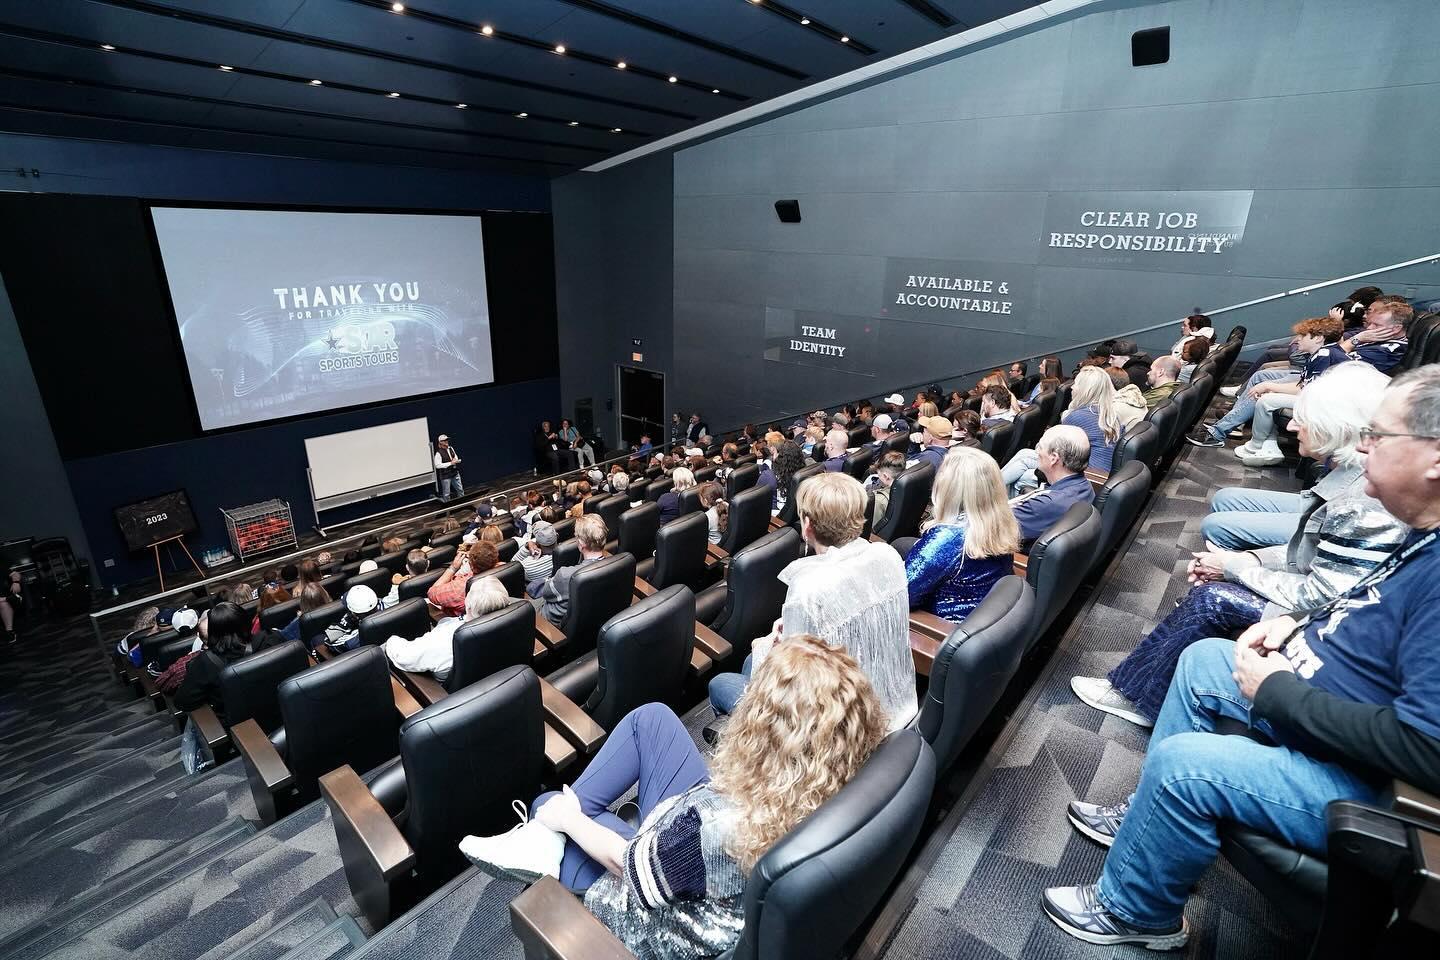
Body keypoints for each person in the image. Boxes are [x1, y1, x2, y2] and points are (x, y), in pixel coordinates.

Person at [1043, 364, 1440, 949]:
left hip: (1364, 784)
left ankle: (1135, 911)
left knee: (1185, 765)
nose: (1362, 445)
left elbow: (1428, 747)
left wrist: (1280, 691)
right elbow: (1358, 604)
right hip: (1322, 698)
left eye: (1379, 436)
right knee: (1205, 659)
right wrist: (1296, 627)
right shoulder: (1420, 534)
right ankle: (1145, 818)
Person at [459, 635, 887, 959]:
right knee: (653, 720)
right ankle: (544, 835)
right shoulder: (831, 779)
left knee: (549, 807)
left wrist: (570, 818)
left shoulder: (717, 827)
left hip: (653, 911)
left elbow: (628, 866)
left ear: (765, 728)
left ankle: (543, 837)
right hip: (700, 854)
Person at [1070, 362, 1407, 726]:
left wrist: (1234, 568)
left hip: (1333, 628)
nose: (1291, 426)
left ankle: (1137, 696)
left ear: (1335, 426)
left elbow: (1318, 596)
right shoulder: (1354, 476)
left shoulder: (1363, 502)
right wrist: (1245, 559)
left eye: (1302, 420)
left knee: (1213, 598)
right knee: (1222, 577)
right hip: (1332, 605)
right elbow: (1306, 554)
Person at [708, 472, 917, 732]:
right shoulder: (887, 554)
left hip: (838, 729)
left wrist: (764, 647)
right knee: (750, 663)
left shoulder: (808, 589)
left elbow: (793, 690)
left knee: (721, 683)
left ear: (807, 526)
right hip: (895, 704)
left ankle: (757, 753)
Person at [1190, 316, 1349, 450]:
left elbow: (1306, 390)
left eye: (1303, 335)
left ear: (1319, 338)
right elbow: (1305, 384)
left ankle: (1217, 434)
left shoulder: (1324, 354)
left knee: (1263, 394)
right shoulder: (1324, 351)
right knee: (1262, 380)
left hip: (1326, 404)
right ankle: (1228, 425)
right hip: (1320, 397)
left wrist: (1269, 386)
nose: (1297, 339)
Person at [903, 447, 1020, 621]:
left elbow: (902, 597)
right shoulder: (999, 521)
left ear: (949, 490)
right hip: (983, 615)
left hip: (939, 631)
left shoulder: (947, 540)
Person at [1002, 367, 1122, 494]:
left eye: (1076, 384)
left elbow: (1047, 449)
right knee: (1024, 454)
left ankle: (990, 492)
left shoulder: (1078, 416)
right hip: (1100, 476)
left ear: (1086, 390)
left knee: (1022, 477)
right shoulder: (1111, 417)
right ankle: (988, 488)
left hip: (1085, 478)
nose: (1072, 387)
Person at [385, 576, 511, 683]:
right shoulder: (515, 619)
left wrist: (391, 641)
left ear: (468, 605)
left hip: (453, 693)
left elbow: (402, 656)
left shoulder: (444, 640)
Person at [1011, 425, 1097, 550]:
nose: (1037, 451)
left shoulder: (1043, 505)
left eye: (1040, 446)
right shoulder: (1085, 486)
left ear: (1054, 458)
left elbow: (986, 528)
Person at [173, 602, 252, 720]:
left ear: (213, 633)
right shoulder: (269, 639)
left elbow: (183, 702)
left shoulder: (206, 661)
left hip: (233, 726)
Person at [533, 515, 609, 625]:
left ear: (581, 544)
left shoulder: (565, 575)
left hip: (549, 623)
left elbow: (546, 594)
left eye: (576, 536)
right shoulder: (619, 564)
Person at [1340, 298, 1411, 372]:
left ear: (1396, 328)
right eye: (1370, 323)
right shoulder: (1378, 339)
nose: (1369, 328)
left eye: (1377, 325)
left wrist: (1355, 340)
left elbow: (1331, 361)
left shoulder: (1383, 352)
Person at [427, 543, 488, 619]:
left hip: (459, 620)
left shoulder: (459, 588)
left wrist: (453, 568)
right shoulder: (503, 567)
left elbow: (431, 593)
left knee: (426, 603)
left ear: (471, 565)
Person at [323, 584, 384, 651]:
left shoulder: (357, 638)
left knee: (317, 639)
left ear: (353, 614)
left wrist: (348, 621)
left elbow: (330, 643)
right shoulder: (388, 608)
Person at [866, 451, 906, 529]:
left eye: (879, 474)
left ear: (885, 476)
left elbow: (871, 530)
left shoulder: (878, 501)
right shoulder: (909, 487)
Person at [519, 521, 558, 585]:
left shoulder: (528, 566)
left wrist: (528, 545)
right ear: (557, 536)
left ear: (537, 544)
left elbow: (513, 564)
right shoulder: (568, 554)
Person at [434, 434, 463, 501]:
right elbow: (437, 465)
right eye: (444, 440)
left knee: (460, 489)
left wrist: (455, 460)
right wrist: (450, 463)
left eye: (447, 440)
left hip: (454, 473)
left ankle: (462, 503)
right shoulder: (438, 453)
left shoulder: (451, 448)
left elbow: (455, 456)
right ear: (440, 442)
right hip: (445, 476)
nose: (446, 441)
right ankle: (448, 509)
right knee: (447, 494)